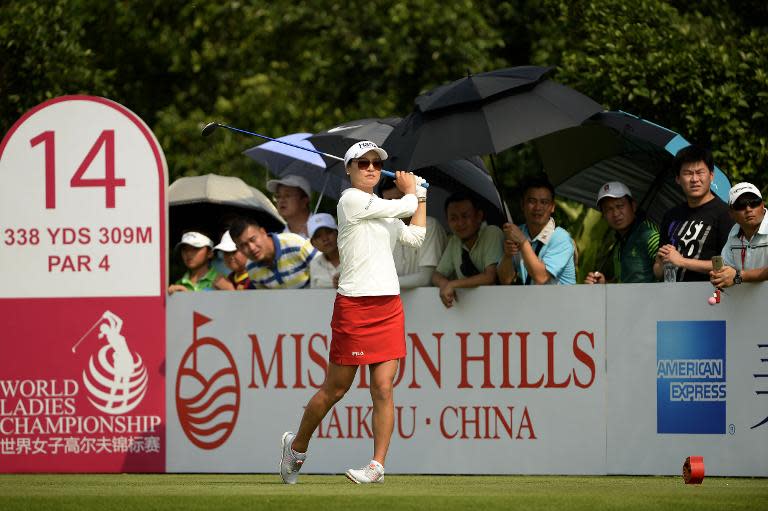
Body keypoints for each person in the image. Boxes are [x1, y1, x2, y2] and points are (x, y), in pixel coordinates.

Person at [279, 140, 426, 485]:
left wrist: (420, 197)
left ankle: (376, 466)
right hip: (355, 307)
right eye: (363, 163)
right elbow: (401, 207)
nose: (372, 168)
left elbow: (416, 237)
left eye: (376, 162)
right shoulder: (350, 201)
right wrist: (413, 190)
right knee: (336, 389)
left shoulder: (383, 208)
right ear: (349, 170)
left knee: (383, 388)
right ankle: (296, 446)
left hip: (388, 306)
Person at [653, 145, 734, 282]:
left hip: (710, 296)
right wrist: (660, 262)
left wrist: (682, 261)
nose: (694, 179)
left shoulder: (725, 213)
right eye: (688, 173)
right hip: (673, 297)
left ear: (711, 175)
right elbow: (658, 272)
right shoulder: (671, 215)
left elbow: (727, 264)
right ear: (678, 179)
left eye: (700, 172)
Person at [497, 175, 576, 286]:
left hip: (561, 303)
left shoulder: (561, 238)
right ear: (522, 205)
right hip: (531, 302)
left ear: (552, 207)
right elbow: (505, 280)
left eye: (544, 202)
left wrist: (523, 242)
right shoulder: (517, 233)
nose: (537, 207)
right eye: (532, 201)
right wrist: (508, 256)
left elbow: (541, 277)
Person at [432, 192, 504, 308]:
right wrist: (444, 284)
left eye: (465, 216)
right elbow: (437, 275)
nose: (460, 223)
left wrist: (453, 284)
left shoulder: (492, 232)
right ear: (447, 221)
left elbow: (490, 276)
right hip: (471, 311)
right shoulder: (454, 241)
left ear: (479, 216)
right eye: (454, 218)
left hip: (499, 307)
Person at [584, 181, 660, 284]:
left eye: (620, 206)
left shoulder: (649, 235)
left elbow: (669, 270)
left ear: (633, 206)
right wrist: (604, 284)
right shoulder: (620, 242)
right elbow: (625, 282)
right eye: (608, 209)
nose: (615, 213)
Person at [380, 177, 448, 288]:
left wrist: (379, 285)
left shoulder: (429, 225)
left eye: (399, 199)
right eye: (388, 201)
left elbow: (425, 279)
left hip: (432, 303)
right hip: (397, 302)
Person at [229, 217, 317, 289]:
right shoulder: (251, 269)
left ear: (263, 232)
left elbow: (325, 271)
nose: (251, 248)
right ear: (238, 249)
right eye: (244, 245)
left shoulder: (296, 244)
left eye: (253, 239)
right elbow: (268, 302)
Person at [710, 182, 768, 288]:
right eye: (740, 206)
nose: (748, 209)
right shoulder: (734, 232)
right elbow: (727, 267)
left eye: (754, 203)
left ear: (762, 205)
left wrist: (738, 276)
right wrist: (721, 276)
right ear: (731, 213)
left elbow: (736, 276)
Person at [307, 213, 340, 289]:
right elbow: (313, 296)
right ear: (313, 243)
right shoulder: (314, 264)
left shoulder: (357, 256)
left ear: (338, 233)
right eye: (318, 236)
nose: (325, 239)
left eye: (328, 232)